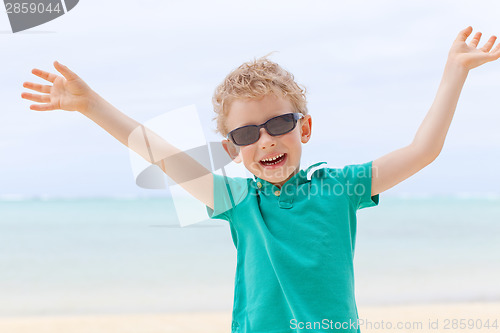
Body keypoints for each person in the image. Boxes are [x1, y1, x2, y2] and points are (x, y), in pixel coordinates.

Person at [21, 26, 499, 332]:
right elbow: (160, 153)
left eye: (279, 124)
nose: (266, 140)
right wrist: (89, 106)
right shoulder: (236, 200)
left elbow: (422, 151)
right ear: (232, 150)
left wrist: (454, 73)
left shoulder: (340, 188)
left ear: (304, 127)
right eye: (248, 133)